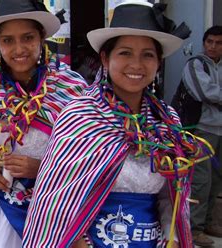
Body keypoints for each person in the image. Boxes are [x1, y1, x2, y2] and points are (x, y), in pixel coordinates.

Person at [23, 1, 214, 247]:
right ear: (105, 58)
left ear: (158, 62)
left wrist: (172, 239)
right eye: (125, 52)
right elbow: (58, 204)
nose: (136, 64)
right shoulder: (80, 115)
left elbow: (172, 197)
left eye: (148, 54)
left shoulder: (166, 121)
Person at [0, 0, 87, 247]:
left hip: (52, 210)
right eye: (8, 40)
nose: (19, 49)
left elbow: (87, 160)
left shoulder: (72, 89)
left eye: (27, 37)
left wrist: (41, 168)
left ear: (41, 37)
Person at [183, 25, 222, 247]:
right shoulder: (196, 65)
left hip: (220, 130)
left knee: (217, 179)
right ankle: (193, 228)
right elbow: (205, 92)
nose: (213, 47)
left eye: (218, 43)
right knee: (200, 180)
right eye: (210, 42)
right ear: (204, 43)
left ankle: (207, 222)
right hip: (202, 130)